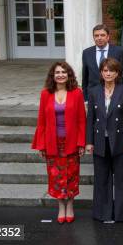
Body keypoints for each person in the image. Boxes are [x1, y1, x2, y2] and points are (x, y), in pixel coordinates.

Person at [32, 61, 86, 224]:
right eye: (57, 72)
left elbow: (81, 121)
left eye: (64, 72)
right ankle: (60, 207)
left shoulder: (77, 93)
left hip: (71, 142)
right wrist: (41, 144)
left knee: (71, 176)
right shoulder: (45, 94)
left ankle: (70, 206)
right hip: (52, 143)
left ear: (69, 75)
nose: (61, 75)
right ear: (53, 76)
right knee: (56, 177)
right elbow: (41, 121)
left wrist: (81, 143)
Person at [85, 58, 123, 222]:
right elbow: (90, 119)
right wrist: (89, 141)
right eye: (105, 70)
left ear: (117, 73)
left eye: (111, 70)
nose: (108, 73)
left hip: (121, 141)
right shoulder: (94, 91)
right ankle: (103, 213)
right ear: (101, 72)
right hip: (100, 140)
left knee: (122, 178)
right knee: (101, 178)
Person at [81, 24, 123, 101]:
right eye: (96, 35)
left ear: (108, 37)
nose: (99, 38)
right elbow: (85, 77)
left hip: (115, 94)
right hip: (93, 94)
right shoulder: (86, 53)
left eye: (102, 35)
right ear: (93, 37)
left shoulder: (119, 51)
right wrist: (85, 98)